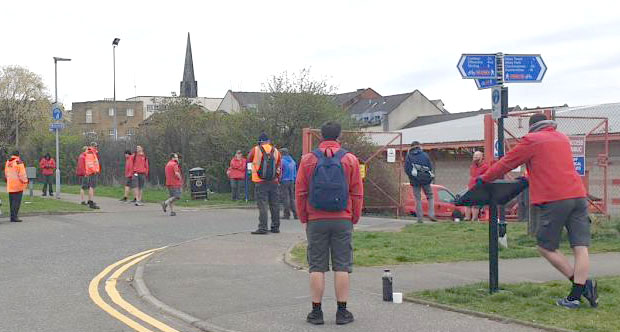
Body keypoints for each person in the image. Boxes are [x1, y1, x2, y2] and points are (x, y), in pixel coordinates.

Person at [478, 114, 598, 309]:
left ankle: (582, 288)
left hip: (556, 198)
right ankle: (577, 294)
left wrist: (484, 178)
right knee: (580, 246)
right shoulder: (562, 138)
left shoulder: (532, 140)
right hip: (578, 195)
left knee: (545, 246)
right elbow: (550, 164)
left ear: (532, 126)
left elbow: (507, 162)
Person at [296, 121, 363, 325]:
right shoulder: (350, 160)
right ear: (339, 137)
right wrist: (354, 217)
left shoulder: (308, 160)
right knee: (342, 265)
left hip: (316, 219)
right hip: (342, 218)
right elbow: (357, 192)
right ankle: (342, 312)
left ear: (321, 137)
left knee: (317, 266)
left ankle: (316, 313)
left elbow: (300, 192)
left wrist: (304, 218)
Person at [247, 133, 282, 234]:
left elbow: (249, 160)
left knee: (263, 205)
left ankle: (263, 228)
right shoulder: (276, 151)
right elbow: (279, 165)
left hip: (260, 181)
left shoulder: (255, 150)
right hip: (274, 181)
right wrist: (277, 179)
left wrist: (251, 174)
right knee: (274, 205)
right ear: (269, 141)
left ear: (260, 141)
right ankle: (275, 227)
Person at [404, 141, 437, 223]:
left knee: (417, 198)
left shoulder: (409, 156)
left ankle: (420, 218)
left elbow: (407, 169)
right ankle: (431, 214)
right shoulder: (425, 155)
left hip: (415, 181)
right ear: (419, 146)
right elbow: (430, 167)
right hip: (425, 180)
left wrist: (412, 177)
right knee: (430, 196)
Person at [4, 151, 28, 222]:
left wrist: (8, 180)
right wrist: (25, 181)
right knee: (16, 202)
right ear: (18, 155)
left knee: (11, 202)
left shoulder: (8, 162)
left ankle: (12, 217)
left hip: (10, 184)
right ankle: (15, 217)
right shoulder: (19, 162)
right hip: (18, 185)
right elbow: (22, 174)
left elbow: (6, 173)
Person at [466, 151, 488, 221]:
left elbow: (485, 177)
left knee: (475, 204)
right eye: (474, 156)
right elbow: (471, 176)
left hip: (479, 187)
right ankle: (467, 218)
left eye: (477, 156)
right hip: (471, 186)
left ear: (481, 157)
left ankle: (474, 219)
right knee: (468, 204)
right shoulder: (472, 166)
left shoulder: (485, 167)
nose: (475, 158)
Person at [279, 148, 298, 219]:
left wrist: (279, 179)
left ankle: (286, 214)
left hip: (284, 181)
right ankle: (296, 214)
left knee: (285, 198)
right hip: (292, 180)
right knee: (292, 198)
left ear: (282, 153)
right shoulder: (293, 161)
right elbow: (295, 172)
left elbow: (280, 171)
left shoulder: (282, 161)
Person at [83, 143, 101, 209]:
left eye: (97, 146)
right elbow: (90, 164)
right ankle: (91, 202)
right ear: (92, 146)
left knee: (91, 187)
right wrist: (94, 170)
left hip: (92, 172)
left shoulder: (92, 152)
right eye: (95, 146)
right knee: (92, 187)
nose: (96, 147)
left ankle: (89, 201)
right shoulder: (90, 153)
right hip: (92, 172)